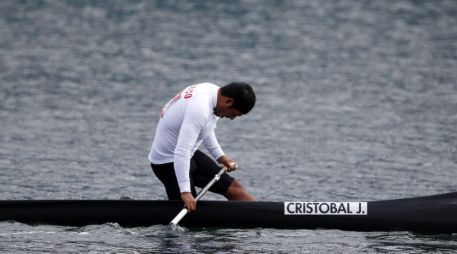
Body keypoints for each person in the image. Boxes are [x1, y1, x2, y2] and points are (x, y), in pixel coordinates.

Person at [148, 82, 256, 212]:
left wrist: (220, 157)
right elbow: (181, 151)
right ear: (228, 101)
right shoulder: (199, 108)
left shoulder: (213, 93)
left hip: (189, 155)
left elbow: (206, 129)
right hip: (167, 163)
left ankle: (263, 216)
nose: (232, 118)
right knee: (191, 211)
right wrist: (185, 191)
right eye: (234, 113)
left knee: (234, 188)